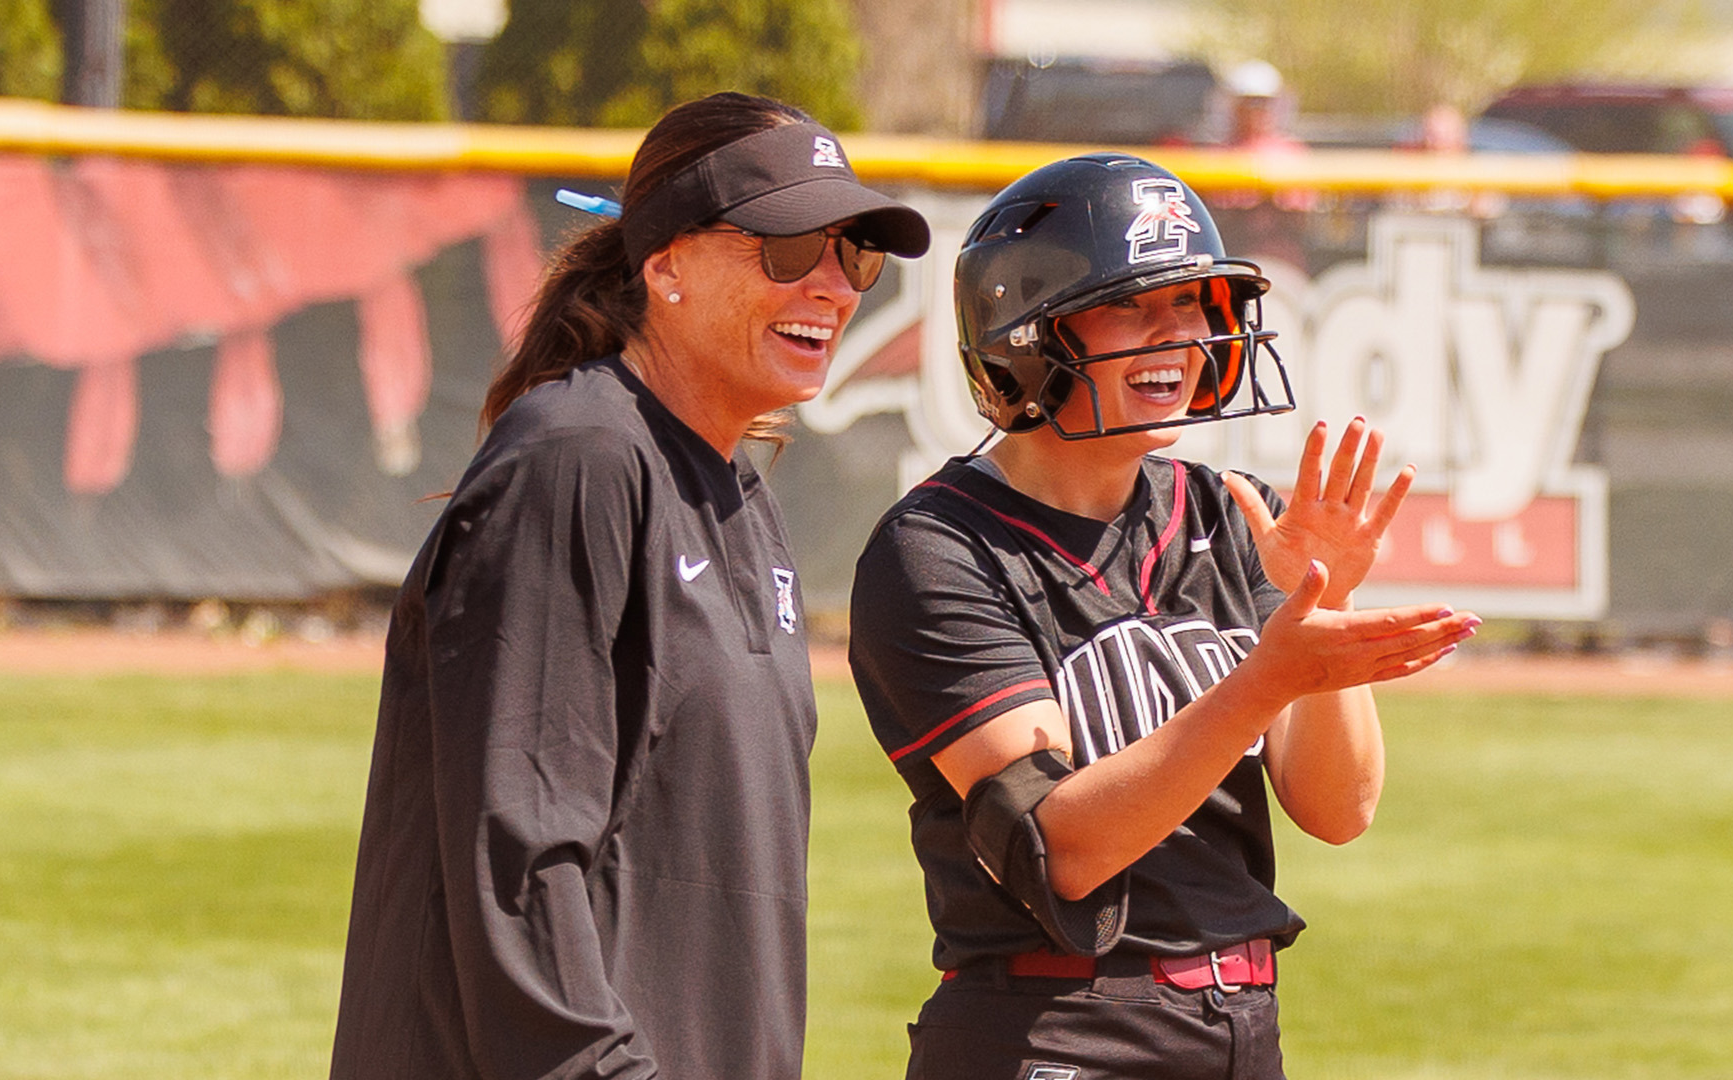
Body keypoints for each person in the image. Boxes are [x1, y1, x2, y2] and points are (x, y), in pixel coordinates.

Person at [330, 91, 929, 1080]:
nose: (832, 284)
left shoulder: (738, 487)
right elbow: (516, 861)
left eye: (854, 254)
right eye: (788, 249)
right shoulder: (577, 462)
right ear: (666, 266)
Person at [848, 154, 1477, 1080]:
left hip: (1239, 1023)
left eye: (1191, 305)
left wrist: (1323, 607)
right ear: (1032, 333)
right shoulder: (940, 548)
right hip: (1054, 1028)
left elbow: (1342, 810)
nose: (1178, 337)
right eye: (1133, 306)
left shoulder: (1232, 515)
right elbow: (1062, 846)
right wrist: (1267, 676)